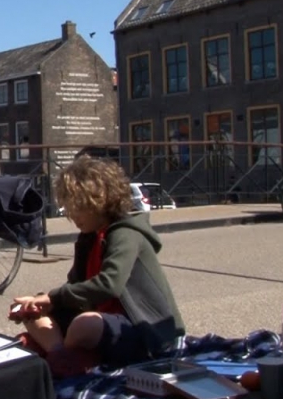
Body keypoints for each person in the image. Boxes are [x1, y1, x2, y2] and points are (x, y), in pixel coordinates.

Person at [10, 156, 185, 379]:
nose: (71, 216)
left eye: (77, 208)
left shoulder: (125, 234)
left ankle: (58, 352)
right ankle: (62, 356)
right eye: (68, 208)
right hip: (101, 318)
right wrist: (40, 302)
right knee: (33, 313)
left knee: (84, 325)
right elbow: (76, 286)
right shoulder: (88, 237)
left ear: (98, 201)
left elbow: (109, 284)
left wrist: (52, 300)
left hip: (143, 327)